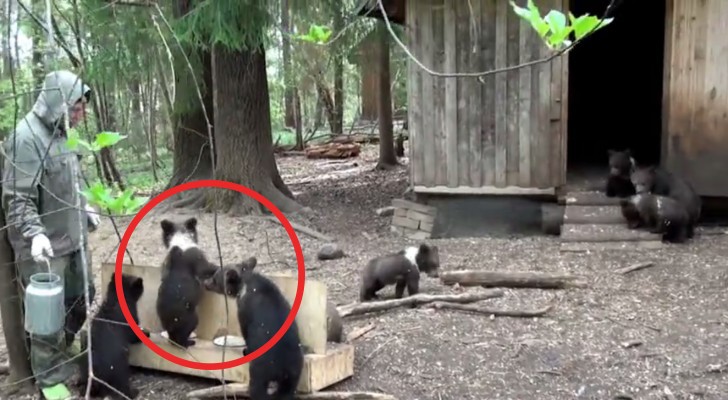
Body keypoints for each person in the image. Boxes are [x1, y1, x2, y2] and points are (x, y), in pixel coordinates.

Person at [1, 70, 101, 400]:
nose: (81, 113)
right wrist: (34, 234)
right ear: (58, 103)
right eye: (75, 107)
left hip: (72, 238)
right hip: (44, 247)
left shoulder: (63, 135)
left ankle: (64, 348)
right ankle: (50, 381)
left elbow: (71, 181)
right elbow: (18, 198)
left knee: (83, 294)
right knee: (46, 318)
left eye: (83, 107)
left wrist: (84, 205)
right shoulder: (27, 138)